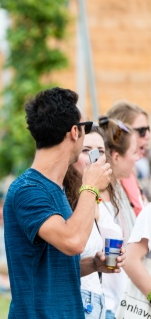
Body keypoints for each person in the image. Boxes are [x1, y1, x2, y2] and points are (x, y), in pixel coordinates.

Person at [4, 87, 114, 318]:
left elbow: (51, 269)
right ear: (75, 132)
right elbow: (72, 241)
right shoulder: (28, 189)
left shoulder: (55, 188)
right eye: (85, 128)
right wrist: (90, 186)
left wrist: (93, 265)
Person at [63, 126, 127, 318]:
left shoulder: (96, 198)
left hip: (100, 300)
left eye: (100, 152)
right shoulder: (64, 199)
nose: (95, 158)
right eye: (86, 150)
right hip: (79, 299)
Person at [97, 117, 139, 318]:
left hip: (121, 302)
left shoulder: (121, 192)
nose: (138, 158)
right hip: (105, 304)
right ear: (115, 156)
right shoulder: (93, 195)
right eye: (134, 152)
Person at [106, 102, 150, 215]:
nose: (148, 135)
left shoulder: (128, 173)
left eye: (148, 129)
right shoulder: (110, 179)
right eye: (142, 131)